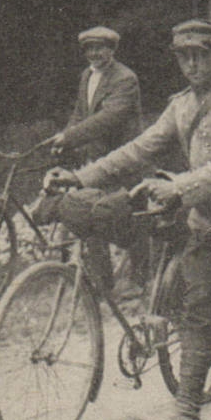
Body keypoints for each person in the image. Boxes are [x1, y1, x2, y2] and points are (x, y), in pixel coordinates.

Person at [54, 18, 211, 420]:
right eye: (183, 57)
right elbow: (139, 148)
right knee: (197, 315)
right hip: (208, 223)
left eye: (199, 55)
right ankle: (186, 411)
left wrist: (179, 187)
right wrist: (82, 177)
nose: (191, 65)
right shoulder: (182, 105)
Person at [42, 26, 146, 298]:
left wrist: (71, 136)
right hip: (96, 161)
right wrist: (65, 139)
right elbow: (81, 114)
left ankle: (140, 281)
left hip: (124, 159)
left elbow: (108, 119)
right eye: (89, 49)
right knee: (90, 215)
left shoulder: (125, 79)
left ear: (112, 50)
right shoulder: (86, 76)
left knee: (131, 218)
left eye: (100, 48)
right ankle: (102, 284)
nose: (94, 54)